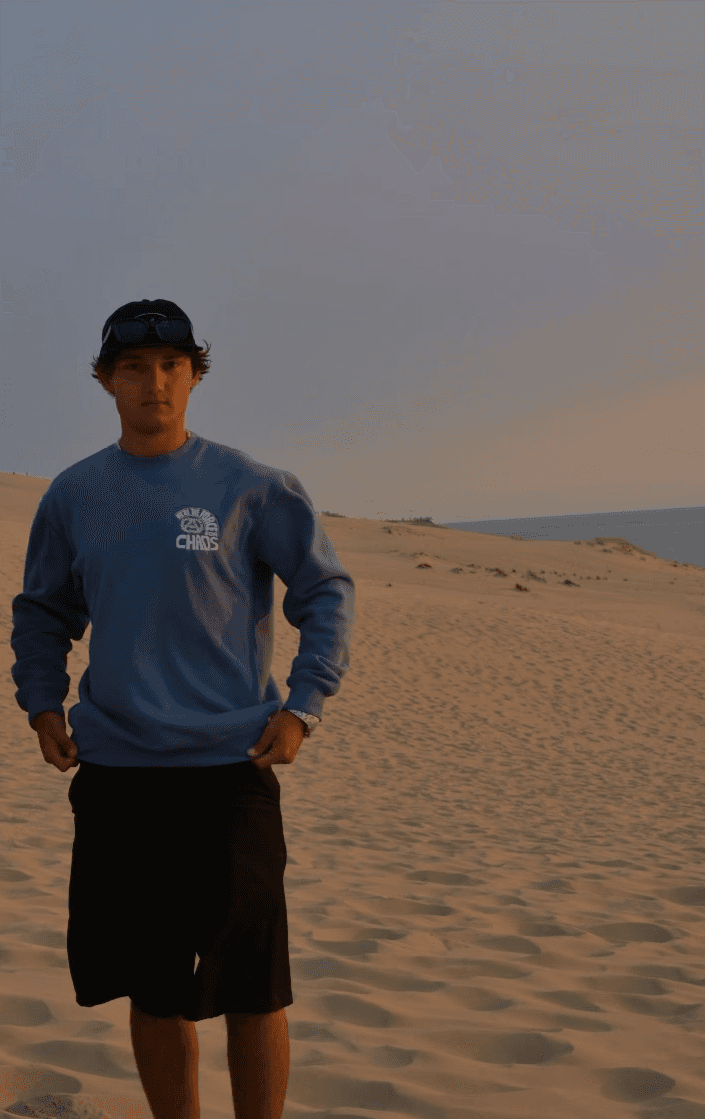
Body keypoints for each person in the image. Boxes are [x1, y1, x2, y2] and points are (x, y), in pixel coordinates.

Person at [10, 298, 356, 1119]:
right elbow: (43, 610)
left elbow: (324, 591)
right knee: (153, 986)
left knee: (254, 987)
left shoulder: (252, 486)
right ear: (106, 380)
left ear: (195, 375)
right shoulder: (75, 494)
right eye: (133, 367)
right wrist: (41, 701)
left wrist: (304, 704)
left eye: (171, 365)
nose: (154, 383)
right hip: (118, 775)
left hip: (230, 770)